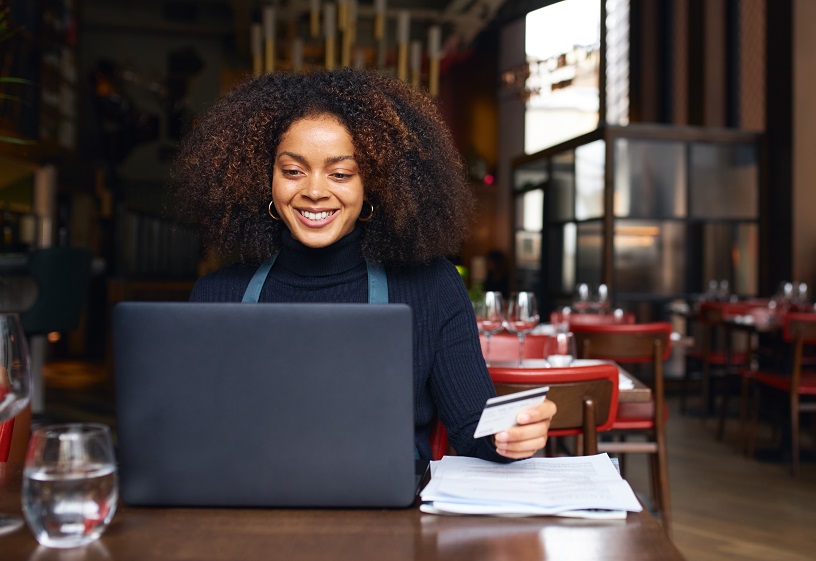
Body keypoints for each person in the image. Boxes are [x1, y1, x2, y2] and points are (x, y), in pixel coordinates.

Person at [171, 68, 555, 462]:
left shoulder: (432, 288)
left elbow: (475, 432)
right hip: (247, 508)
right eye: (292, 171)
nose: (315, 191)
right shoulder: (218, 294)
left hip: (388, 516)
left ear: (374, 182)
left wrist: (510, 437)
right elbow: (188, 434)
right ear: (262, 178)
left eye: (341, 174)